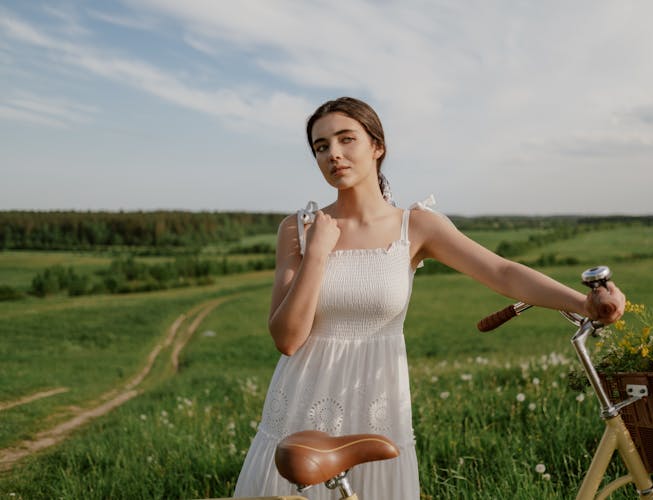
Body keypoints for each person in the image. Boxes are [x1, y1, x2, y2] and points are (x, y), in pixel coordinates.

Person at [233, 97, 625, 499]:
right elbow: (287, 339)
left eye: (346, 139)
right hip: (302, 402)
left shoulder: (415, 225)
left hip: (377, 402)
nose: (333, 154)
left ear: (376, 146)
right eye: (320, 146)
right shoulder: (298, 229)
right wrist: (317, 253)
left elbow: (501, 271)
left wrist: (582, 303)